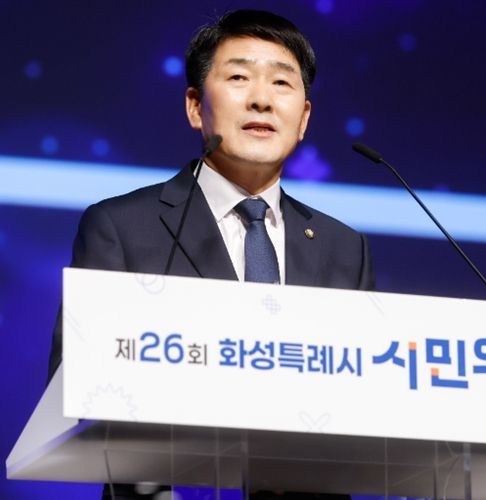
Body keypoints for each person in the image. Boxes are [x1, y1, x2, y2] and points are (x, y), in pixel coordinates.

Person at [47, 9, 374, 499]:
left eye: (281, 83)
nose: (261, 99)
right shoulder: (122, 227)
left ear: (304, 118)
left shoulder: (343, 248)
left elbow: (368, 400)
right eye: (239, 77)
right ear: (196, 107)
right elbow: (74, 386)